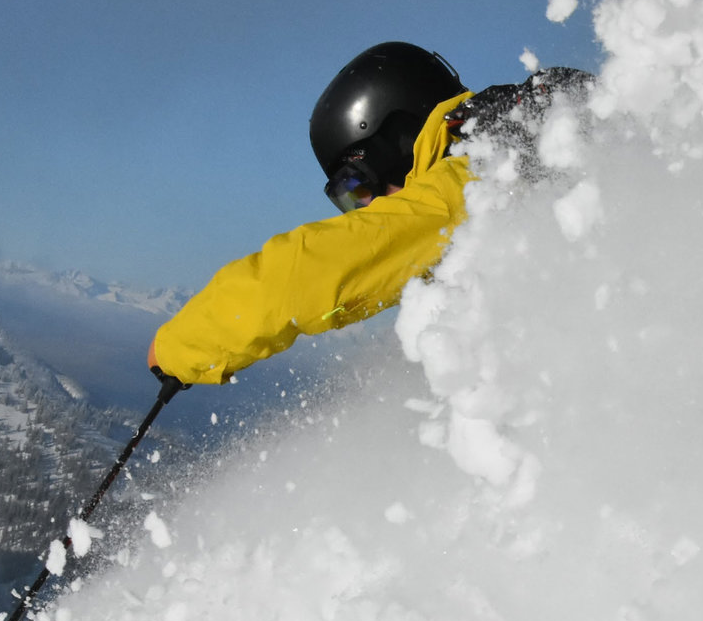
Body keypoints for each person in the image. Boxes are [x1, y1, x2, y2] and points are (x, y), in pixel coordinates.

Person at [148, 42, 590, 390]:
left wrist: (183, 346)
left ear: (396, 138)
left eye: (357, 185)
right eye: (347, 197)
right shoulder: (507, 135)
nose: (369, 209)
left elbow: (310, 271)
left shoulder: (489, 167)